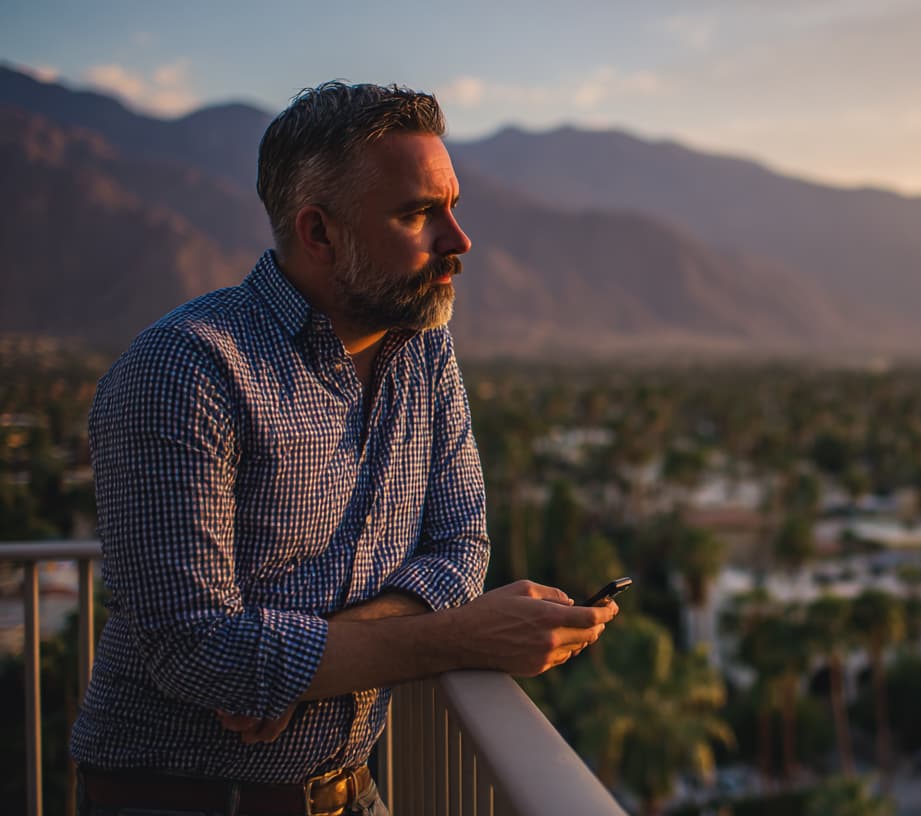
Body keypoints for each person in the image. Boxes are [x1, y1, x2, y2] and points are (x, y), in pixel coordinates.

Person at [71, 81, 616, 815]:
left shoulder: (424, 352)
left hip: (349, 791)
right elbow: (196, 650)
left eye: (453, 207)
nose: (458, 241)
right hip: (186, 797)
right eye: (418, 213)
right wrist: (459, 637)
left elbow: (460, 545)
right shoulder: (187, 368)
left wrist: (313, 659)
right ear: (319, 232)